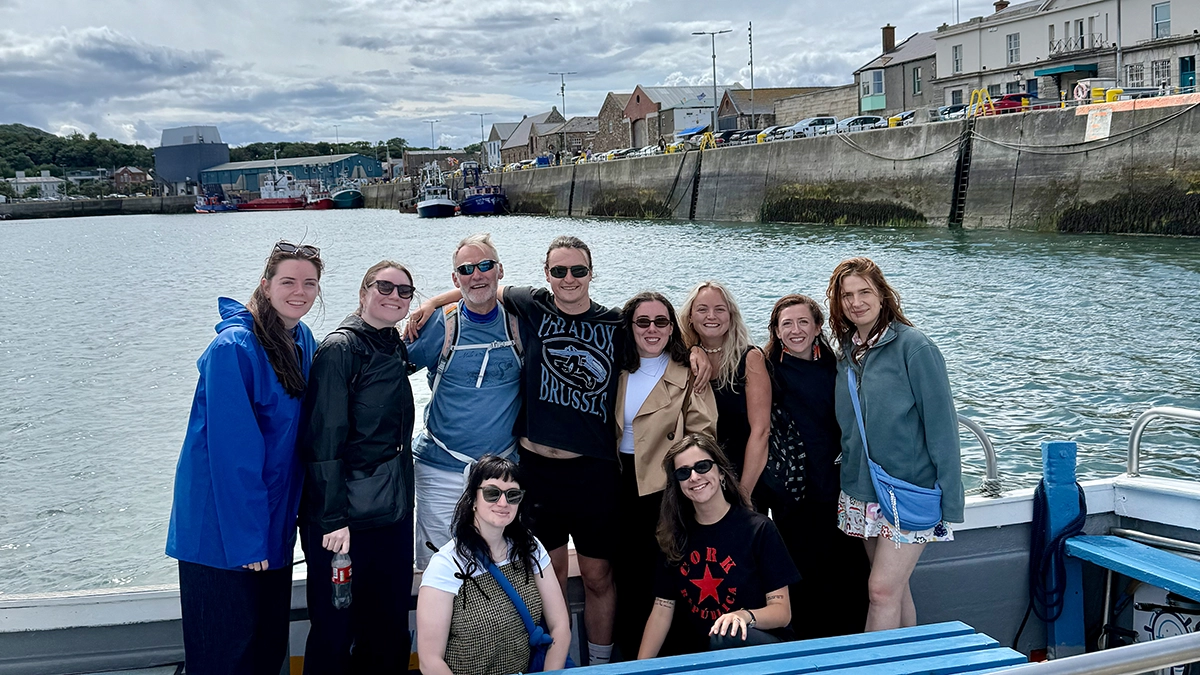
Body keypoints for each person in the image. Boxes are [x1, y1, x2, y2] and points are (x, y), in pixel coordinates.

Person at [166, 240, 323, 675]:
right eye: (288, 281)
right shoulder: (234, 349)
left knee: (267, 649)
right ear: (265, 285)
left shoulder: (302, 339)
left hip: (270, 529)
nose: (300, 292)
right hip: (222, 538)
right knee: (225, 657)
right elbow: (232, 457)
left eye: (310, 283)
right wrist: (248, 542)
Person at [826, 257, 963, 632]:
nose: (856, 302)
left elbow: (942, 427)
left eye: (864, 292)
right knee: (894, 591)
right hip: (864, 489)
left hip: (909, 491)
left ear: (883, 296)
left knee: (880, 592)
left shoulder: (914, 347)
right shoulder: (848, 353)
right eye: (847, 295)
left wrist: (951, 500)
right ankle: (909, 662)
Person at [297, 261, 417, 673]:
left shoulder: (390, 343)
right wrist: (332, 521)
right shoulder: (340, 350)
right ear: (363, 291)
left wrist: (435, 302)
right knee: (335, 632)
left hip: (391, 513)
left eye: (405, 291)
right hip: (343, 523)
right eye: (384, 286)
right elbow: (322, 442)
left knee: (387, 629)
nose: (394, 296)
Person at [407, 234, 522, 570]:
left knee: (501, 569)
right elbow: (389, 371)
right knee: (437, 570)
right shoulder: (439, 325)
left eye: (485, 266)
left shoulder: (519, 322)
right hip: (440, 468)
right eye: (466, 269)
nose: (477, 274)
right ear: (455, 278)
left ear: (500, 271)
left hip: (502, 472)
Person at [613, 292, 717, 659]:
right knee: (627, 578)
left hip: (667, 489)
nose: (652, 329)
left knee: (668, 580)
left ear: (673, 328)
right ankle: (629, 660)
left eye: (661, 322)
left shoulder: (689, 372)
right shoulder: (614, 367)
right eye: (643, 322)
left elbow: (704, 435)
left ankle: (676, 658)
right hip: (620, 484)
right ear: (630, 326)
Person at [762, 294, 870, 639]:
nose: (796, 330)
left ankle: (854, 652)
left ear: (818, 327)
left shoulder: (838, 368)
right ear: (776, 332)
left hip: (839, 487)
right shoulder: (767, 371)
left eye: (803, 322)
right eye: (787, 324)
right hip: (793, 494)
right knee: (804, 578)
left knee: (850, 575)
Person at [638, 434, 800, 658]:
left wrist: (743, 617)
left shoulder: (759, 529)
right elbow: (662, 610)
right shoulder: (674, 535)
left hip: (763, 650)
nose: (694, 477)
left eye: (702, 466)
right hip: (707, 656)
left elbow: (782, 613)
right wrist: (640, 668)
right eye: (683, 472)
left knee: (726, 635)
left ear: (721, 472)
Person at [416, 455, 572, 675]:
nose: (502, 503)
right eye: (492, 493)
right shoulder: (446, 565)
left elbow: (560, 627)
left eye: (513, 495)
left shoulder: (530, 547)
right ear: (473, 499)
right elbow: (430, 661)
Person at [680, 281, 770, 498]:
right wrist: (693, 349)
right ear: (690, 317)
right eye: (702, 309)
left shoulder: (750, 359)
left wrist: (744, 492)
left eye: (720, 309)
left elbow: (761, 432)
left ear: (731, 316)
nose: (711, 316)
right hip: (695, 478)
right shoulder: (682, 358)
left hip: (743, 473)